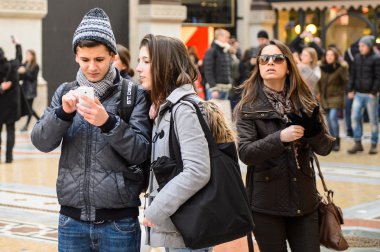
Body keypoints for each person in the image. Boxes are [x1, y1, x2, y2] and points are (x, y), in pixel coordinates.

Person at [31, 8, 151, 252]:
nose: (92, 67)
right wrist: (62, 114)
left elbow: (141, 152)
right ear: (76, 55)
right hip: (71, 221)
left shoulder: (133, 94)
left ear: (112, 56)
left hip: (119, 222)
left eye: (99, 59)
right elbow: (41, 141)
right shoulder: (65, 91)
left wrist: (108, 122)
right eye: (85, 60)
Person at [236, 39, 334, 252]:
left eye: (277, 58)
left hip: (305, 201)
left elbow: (325, 148)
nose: (270, 62)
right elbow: (246, 153)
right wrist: (280, 138)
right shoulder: (248, 107)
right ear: (259, 66)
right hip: (266, 204)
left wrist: (314, 133)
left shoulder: (305, 102)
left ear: (288, 66)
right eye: (264, 59)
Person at [138, 34, 211, 252]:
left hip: (188, 226)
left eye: (146, 61)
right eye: (139, 60)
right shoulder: (164, 108)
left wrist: (156, 209)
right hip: (178, 223)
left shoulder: (184, 109)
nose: (139, 68)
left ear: (165, 66)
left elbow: (197, 170)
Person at [347, 35, 380, 155]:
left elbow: (378, 77)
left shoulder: (376, 58)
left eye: (362, 46)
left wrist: (374, 92)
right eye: (359, 46)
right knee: (354, 117)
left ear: (369, 46)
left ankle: (373, 144)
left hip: (371, 95)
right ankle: (358, 143)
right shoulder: (357, 58)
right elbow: (352, 75)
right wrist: (350, 90)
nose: (360, 48)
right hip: (358, 94)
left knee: (373, 120)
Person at [315, 47, 349, 151]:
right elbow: (318, 81)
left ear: (335, 57)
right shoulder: (321, 68)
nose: (329, 57)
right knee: (329, 121)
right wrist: (317, 92)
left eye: (332, 55)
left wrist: (344, 91)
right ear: (325, 57)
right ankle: (332, 141)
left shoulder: (340, 68)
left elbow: (345, 81)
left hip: (336, 97)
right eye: (327, 55)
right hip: (325, 98)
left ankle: (337, 141)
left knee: (334, 118)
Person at [0, 38, 22, 163]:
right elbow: (19, 57)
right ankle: (9, 157)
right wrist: (17, 45)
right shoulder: (13, 65)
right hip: (12, 106)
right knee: (10, 130)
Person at [203, 28, 232, 100]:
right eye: (226, 37)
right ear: (219, 37)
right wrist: (213, 88)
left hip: (225, 88)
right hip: (215, 90)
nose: (228, 40)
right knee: (213, 111)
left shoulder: (225, 50)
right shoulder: (211, 51)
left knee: (223, 111)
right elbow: (208, 71)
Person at [19, 49, 40, 131]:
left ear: (32, 56)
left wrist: (25, 71)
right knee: (29, 108)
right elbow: (21, 76)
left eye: (28, 55)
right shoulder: (25, 64)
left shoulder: (35, 66)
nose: (27, 56)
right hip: (24, 89)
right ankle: (40, 120)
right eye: (26, 54)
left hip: (30, 90)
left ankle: (26, 126)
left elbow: (33, 77)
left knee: (29, 108)